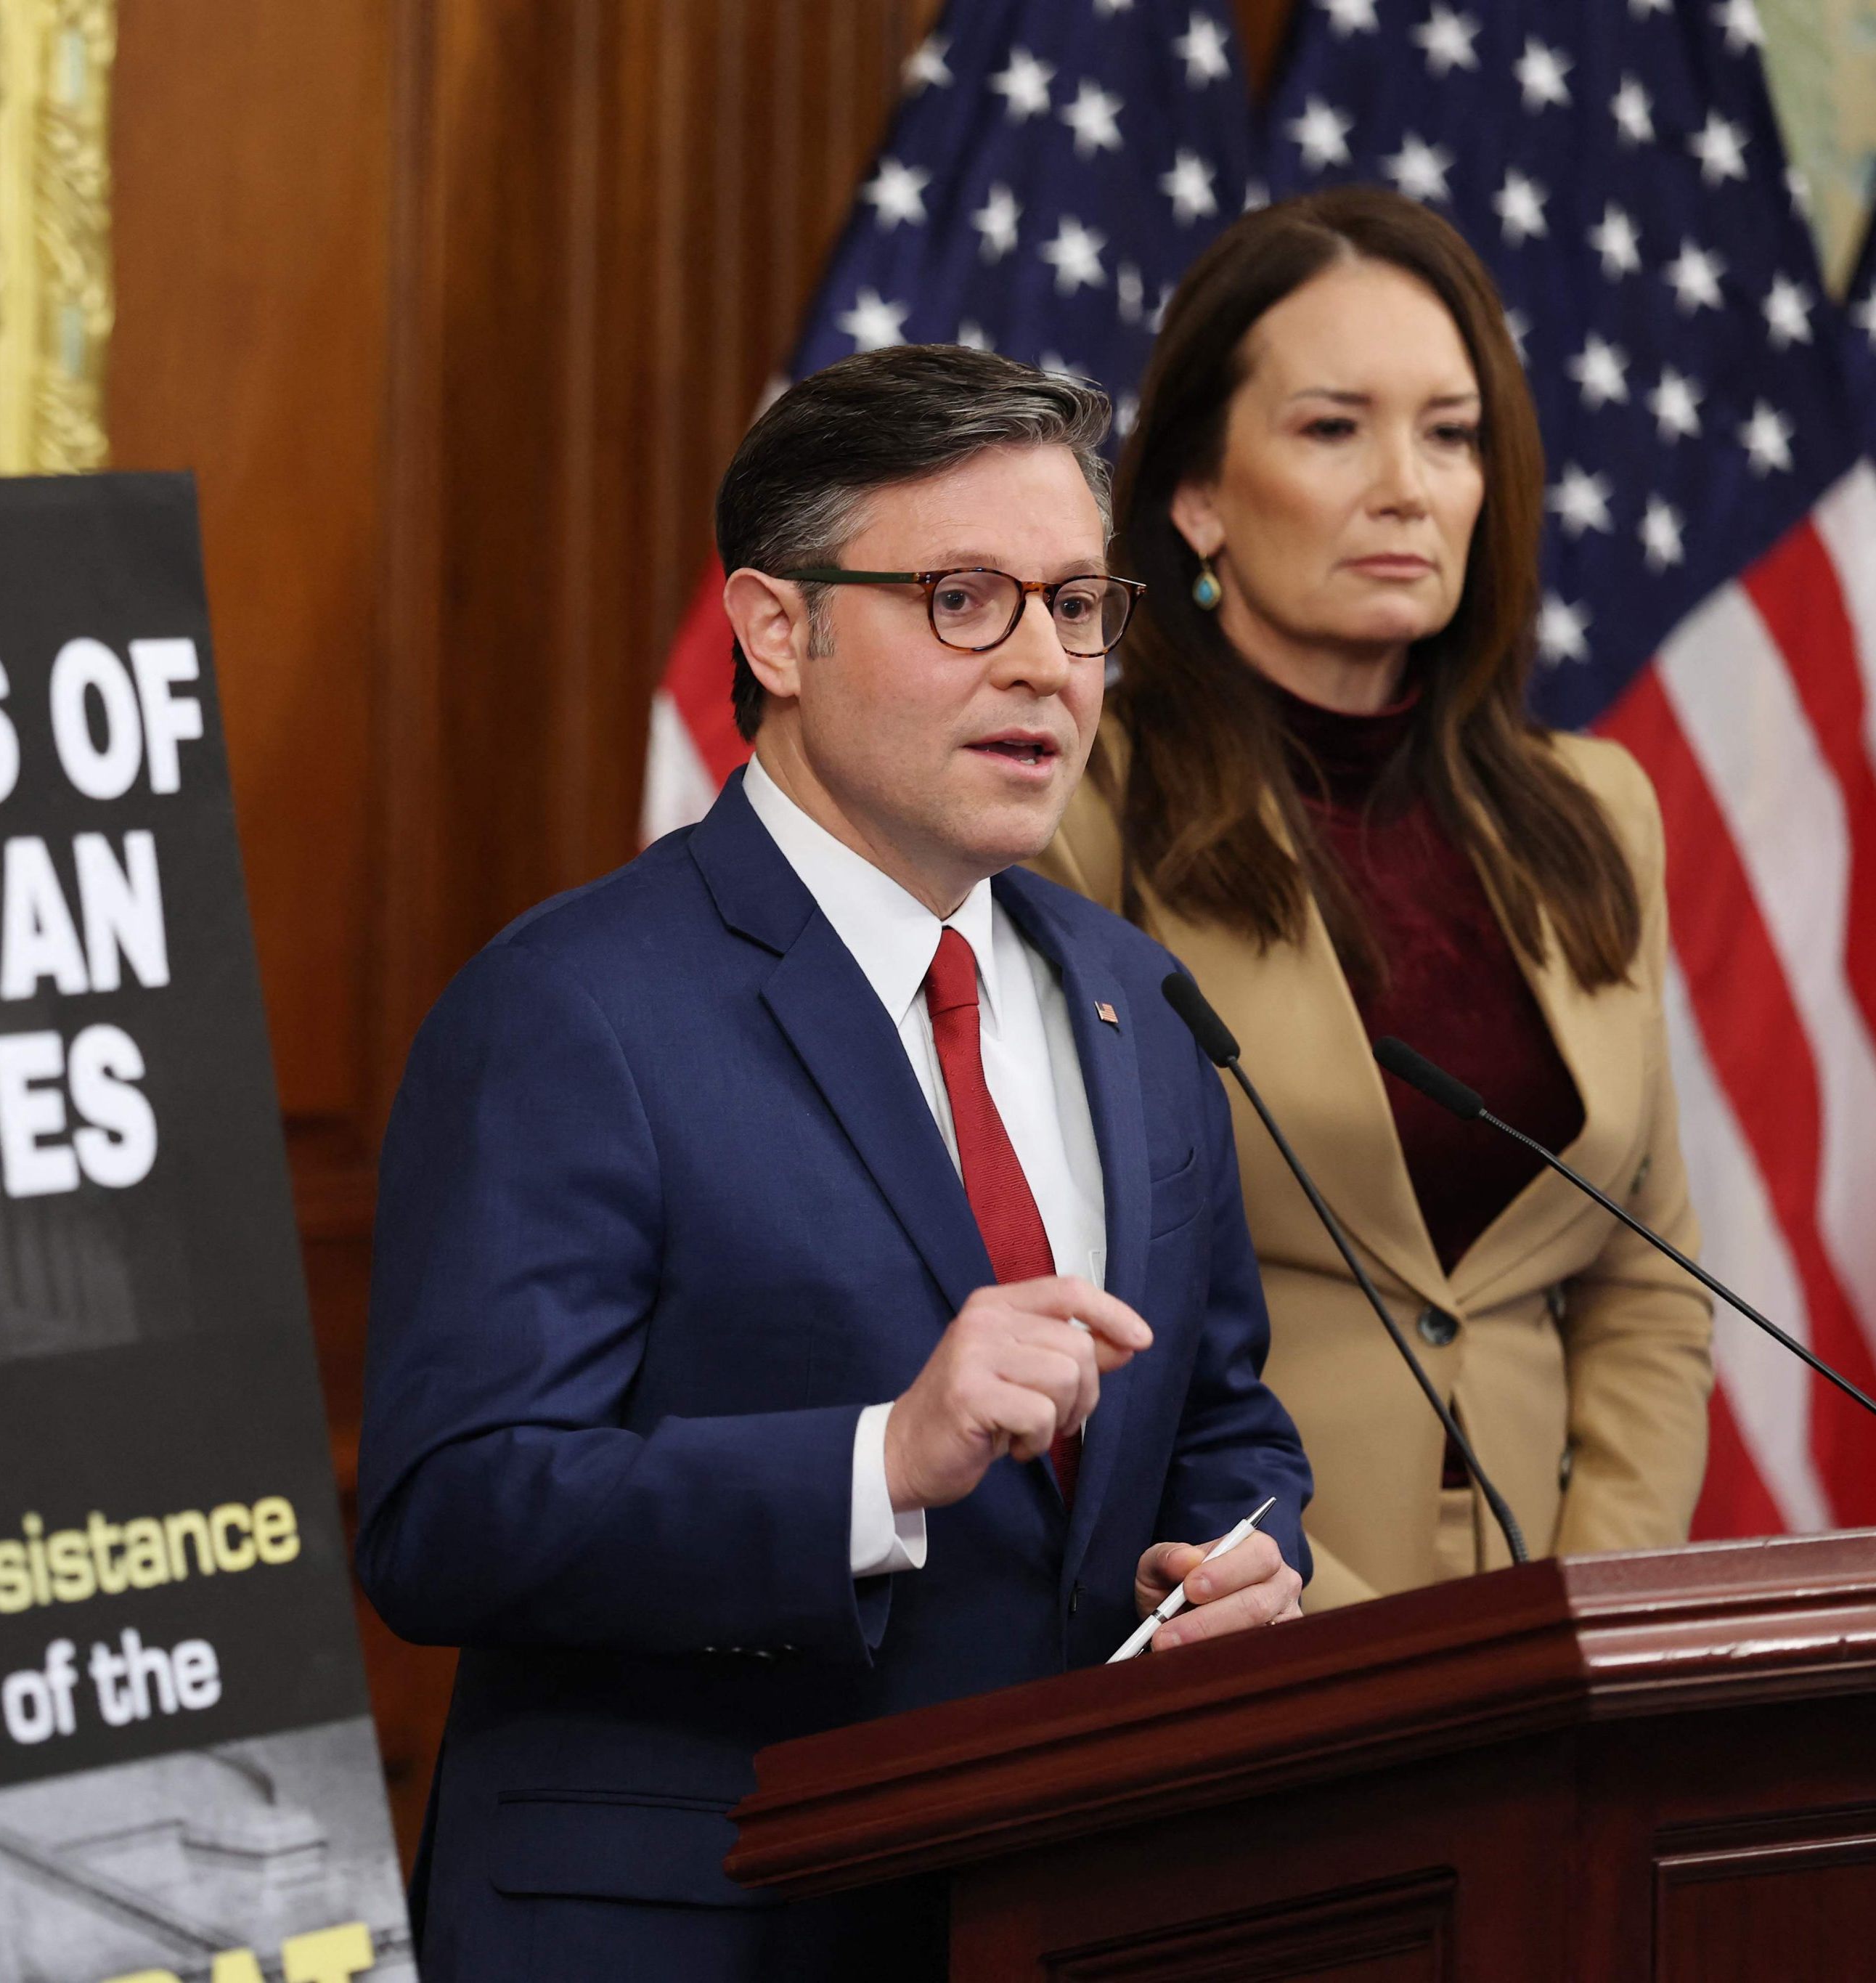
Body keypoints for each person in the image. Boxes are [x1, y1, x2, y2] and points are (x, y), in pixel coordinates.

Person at [356, 345, 1312, 1983]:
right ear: (775, 628)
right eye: (963, 599)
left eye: (1079, 606)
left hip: (1059, 1911)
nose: (1045, 668)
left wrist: (1251, 1546)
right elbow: (448, 1513)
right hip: (703, 1931)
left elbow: (1219, 1406)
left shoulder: (1135, 998)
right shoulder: (575, 1006)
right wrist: (878, 1463)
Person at [1034, 187, 1713, 1611]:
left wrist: (1593, 1624)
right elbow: (1070, 1294)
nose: (1407, 484)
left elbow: (1648, 1287)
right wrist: (1325, 1621)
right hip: (1243, 1625)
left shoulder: (1597, 809)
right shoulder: (1083, 812)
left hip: (1565, 1658)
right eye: (1333, 428)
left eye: (1451, 434)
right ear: (1201, 494)